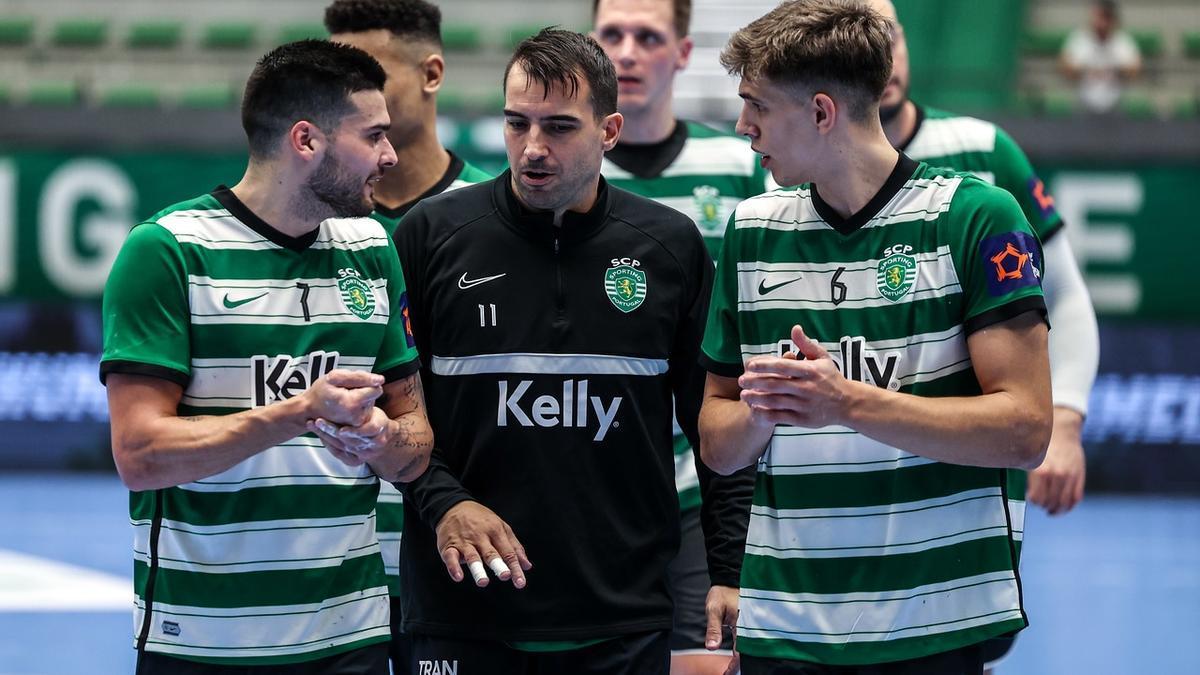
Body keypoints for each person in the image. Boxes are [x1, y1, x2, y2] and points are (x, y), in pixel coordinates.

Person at [699, 1, 1053, 673]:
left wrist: (845, 401)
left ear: (822, 112)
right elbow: (717, 445)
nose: (744, 127)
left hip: (935, 622)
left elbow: (1027, 429)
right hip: (785, 626)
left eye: (758, 107)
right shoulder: (751, 230)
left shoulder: (975, 217)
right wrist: (762, 410)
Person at [394, 27, 739, 675]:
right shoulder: (431, 236)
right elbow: (396, 417)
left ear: (609, 130)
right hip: (459, 613)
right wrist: (446, 503)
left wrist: (729, 568)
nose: (532, 148)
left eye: (558, 127)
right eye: (516, 123)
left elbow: (715, 430)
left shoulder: (671, 246)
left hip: (622, 617)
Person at [100, 40, 434, 674]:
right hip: (202, 641)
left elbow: (417, 442)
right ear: (306, 141)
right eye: (374, 136)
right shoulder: (168, 251)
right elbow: (139, 456)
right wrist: (296, 413)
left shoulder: (372, 248)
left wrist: (381, 437)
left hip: (353, 637)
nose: (391, 156)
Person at [867, 0, 1101, 669]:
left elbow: (1066, 295)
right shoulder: (782, 164)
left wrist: (1065, 420)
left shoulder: (984, 153)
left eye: (892, 35)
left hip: (964, 496)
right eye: (861, 39)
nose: (883, 56)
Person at [590, 1, 761, 672]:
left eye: (648, 37)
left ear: (684, 53)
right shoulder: (555, 169)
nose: (628, 52)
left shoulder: (740, 164)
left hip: (696, 484)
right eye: (612, 35)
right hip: (591, 489)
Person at [324, 2, 492, 670]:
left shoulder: (500, 221)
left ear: (432, 73)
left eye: (367, 74)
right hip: (333, 573)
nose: (351, 97)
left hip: (463, 562)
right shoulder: (308, 229)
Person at [1060, 0, 1141, 114]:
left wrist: (1115, 69)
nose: (1099, 22)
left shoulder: (1123, 41)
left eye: (1103, 18)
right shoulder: (1079, 39)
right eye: (1096, 17)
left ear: (1111, 20)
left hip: (1115, 105)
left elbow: (1135, 70)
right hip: (1084, 105)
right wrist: (1086, 69)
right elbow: (1065, 68)